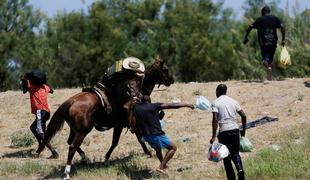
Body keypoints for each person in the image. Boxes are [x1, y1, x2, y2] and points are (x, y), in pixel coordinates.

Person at [134, 95, 194, 174]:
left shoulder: (136, 108)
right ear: (149, 101)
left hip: (146, 136)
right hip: (156, 134)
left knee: (158, 149)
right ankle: (161, 167)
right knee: (173, 148)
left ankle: (163, 165)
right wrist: (186, 104)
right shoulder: (154, 106)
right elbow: (171, 105)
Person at [209, 84, 247, 180]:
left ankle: (231, 178)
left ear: (217, 92)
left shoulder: (215, 102)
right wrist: (243, 131)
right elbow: (244, 116)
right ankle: (240, 170)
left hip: (224, 132)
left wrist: (213, 136)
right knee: (235, 153)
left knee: (226, 157)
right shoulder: (233, 101)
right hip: (235, 130)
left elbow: (215, 119)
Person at [20, 73, 59, 158]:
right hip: (47, 112)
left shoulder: (31, 87)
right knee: (33, 128)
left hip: (40, 112)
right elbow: (52, 90)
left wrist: (26, 76)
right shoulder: (45, 87)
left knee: (40, 133)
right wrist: (44, 83)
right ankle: (41, 144)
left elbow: (23, 81)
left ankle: (53, 152)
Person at [243, 5, 285, 81]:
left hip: (264, 42)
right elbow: (282, 26)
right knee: (270, 60)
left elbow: (250, 26)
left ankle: (268, 68)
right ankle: (270, 75)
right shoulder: (275, 18)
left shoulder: (260, 19)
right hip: (273, 41)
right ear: (269, 12)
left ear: (262, 13)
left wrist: (246, 37)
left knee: (265, 59)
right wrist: (283, 39)